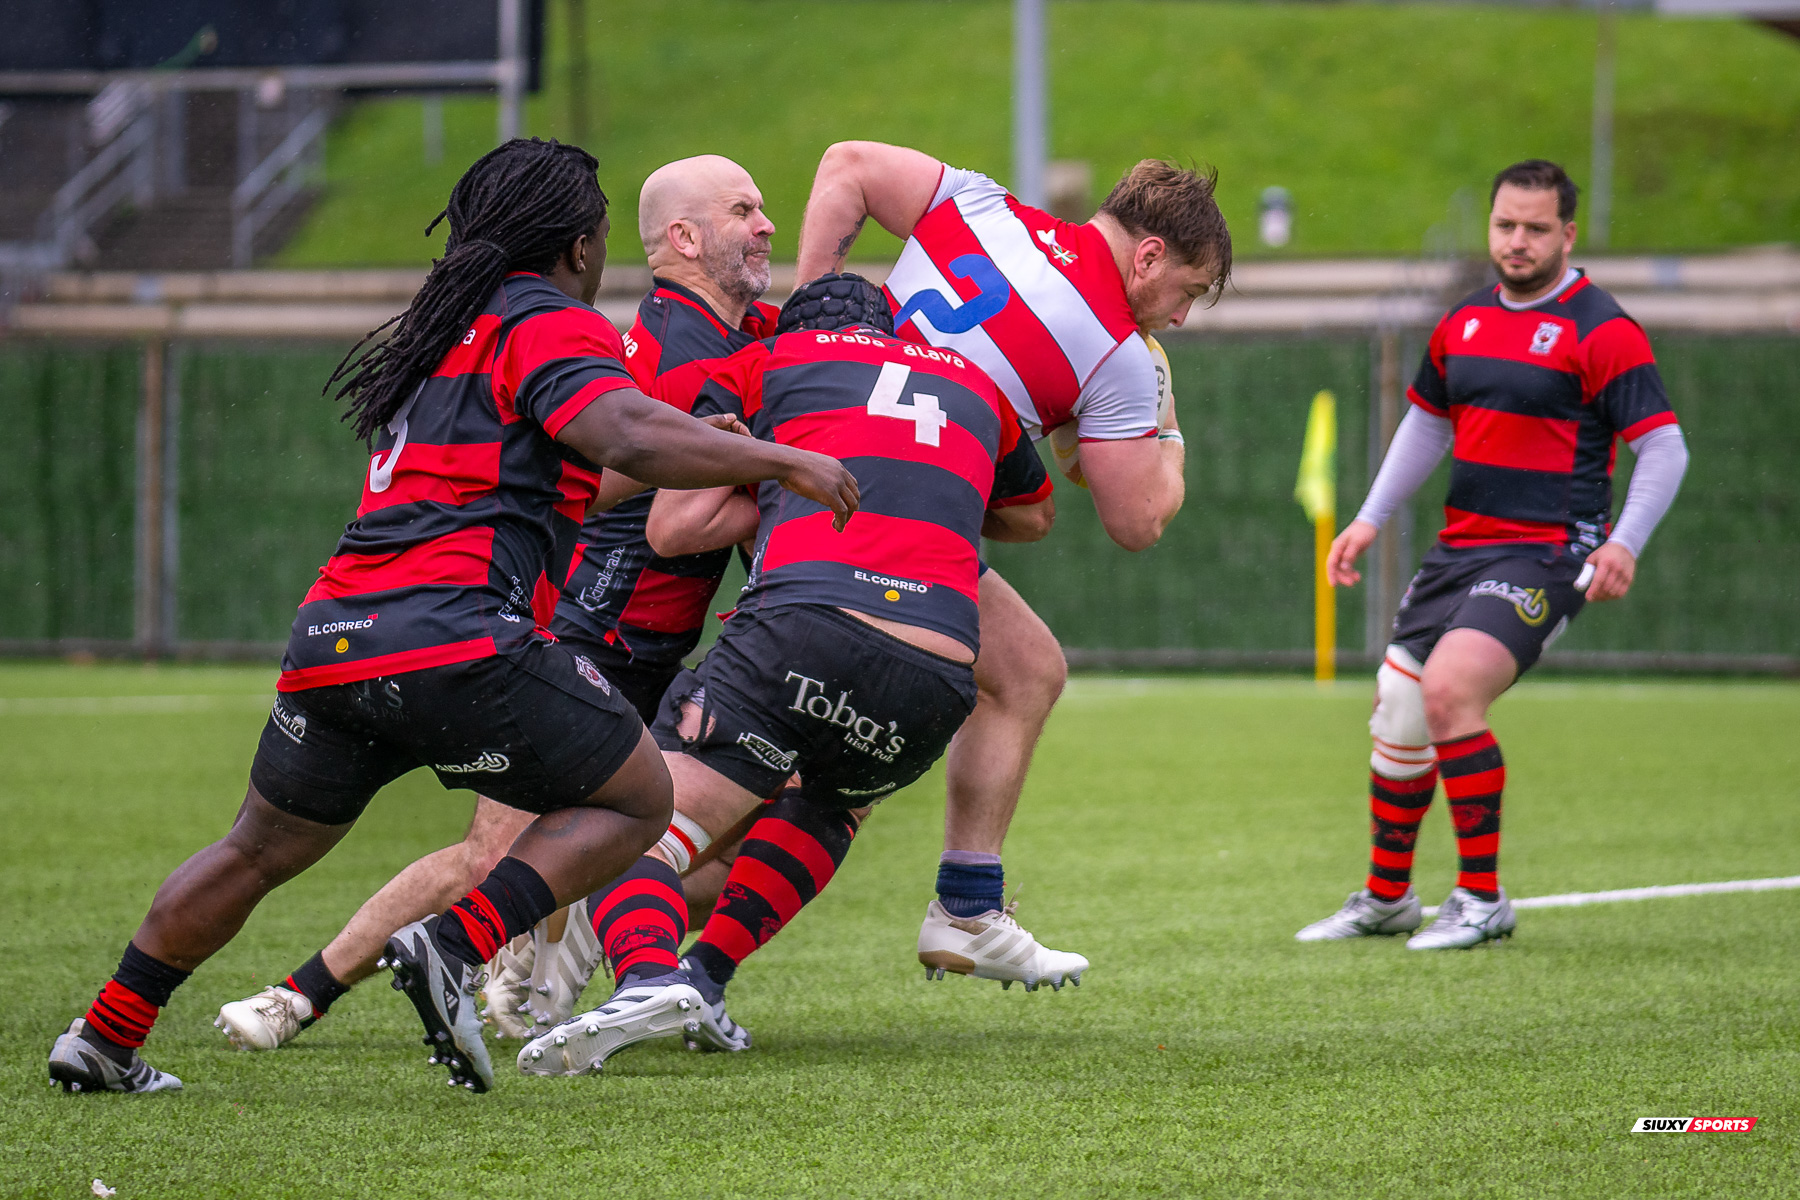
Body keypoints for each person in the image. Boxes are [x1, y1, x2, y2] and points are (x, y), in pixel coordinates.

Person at [49, 138, 859, 1095]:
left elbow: (572, 470)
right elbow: (624, 428)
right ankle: (453, 943)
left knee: (254, 849)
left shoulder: (440, 332)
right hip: (456, 631)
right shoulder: (552, 318)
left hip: (337, 634)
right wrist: (779, 460)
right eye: (598, 227)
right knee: (640, 800)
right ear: (575, 245)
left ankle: (105, 1033)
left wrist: (700, 446)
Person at [210, 154, 790, 1052]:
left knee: (733, 815)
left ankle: (588, 957)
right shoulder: (643, 344)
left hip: (656, 645)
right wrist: (761, 472)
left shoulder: (748, 339)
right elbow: (645, 505)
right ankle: (299, 997)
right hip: (585, 630)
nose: (766, 226)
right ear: (683, 237)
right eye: (745, 209)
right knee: (496, 855)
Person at [514, 274, 1058, 1075]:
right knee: (831, 804)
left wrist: (768, 483)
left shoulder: (768, 361)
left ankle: (646, 976)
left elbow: (669, 529)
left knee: (634, 824)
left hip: (805, 629)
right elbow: (1034, 515)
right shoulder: (974, 381)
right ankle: (712, 976)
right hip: (940, 671)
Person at [739, 142, 1228, 986]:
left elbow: (845, 163)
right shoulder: (1117, 353)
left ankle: (963, 904)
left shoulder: (980, 206)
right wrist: (1168, 424)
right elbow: (1139, 520)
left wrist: (812, 319)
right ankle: (611, 925)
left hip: (801, 464)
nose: (1179, 318)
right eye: (1185, 292)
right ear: (1149, 255)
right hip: (881, 526)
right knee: (820, 767)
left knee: (1022, 669)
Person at [1295, 159, 1689, 950]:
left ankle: (1481, 899)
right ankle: (1387, 898)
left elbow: (1664, 448)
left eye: (1536, 228)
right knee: (1401, 713)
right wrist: (1371, 516)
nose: (1517, 240)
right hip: (1459, 550)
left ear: (1567, 234)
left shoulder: (1601, 329)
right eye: (1505, 224)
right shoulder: (1463, 320)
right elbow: (1428, 423)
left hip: (1547, 553)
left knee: (1447, 693)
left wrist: (1622, 543)